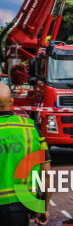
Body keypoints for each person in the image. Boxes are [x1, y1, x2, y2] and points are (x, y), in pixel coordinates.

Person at [0, 83, 51, 225]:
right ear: (11, 102)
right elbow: (45, 173)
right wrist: (42, 208)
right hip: (20, 205)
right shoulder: (30, 129)